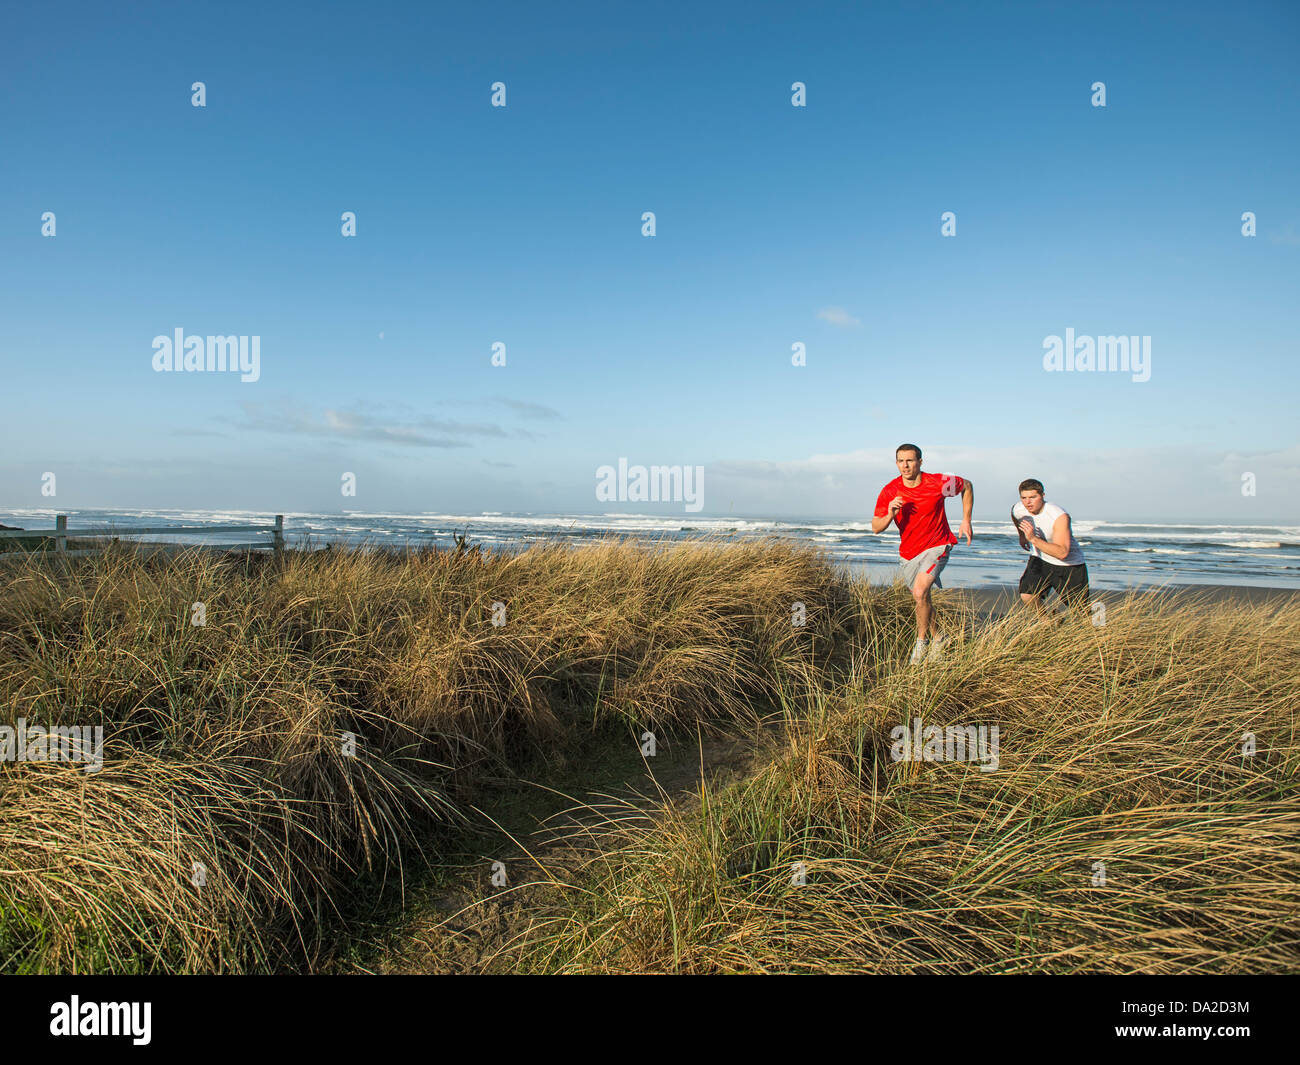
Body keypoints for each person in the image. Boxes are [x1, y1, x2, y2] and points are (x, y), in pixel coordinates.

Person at [872, 443, 973, 663]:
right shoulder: (890, 490)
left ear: (920, 462)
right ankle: (940, 638)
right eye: (901, 461)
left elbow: (966, 485)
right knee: (922, 599)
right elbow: (876, 528)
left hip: (938, 544)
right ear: (896, 463)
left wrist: (966, 519)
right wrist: (890, 514)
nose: (905, 466)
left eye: (910, 460)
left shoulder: (937, 483)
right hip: (908, 553)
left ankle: (921, 644)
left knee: (919, 592)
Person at [1011, 478, 1089, 613]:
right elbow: (1014, 514)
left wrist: (1032, 538)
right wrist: (1022, 535)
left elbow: (1062, 552)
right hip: (1040, 559)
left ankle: (1098, 625)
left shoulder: (1058, 516)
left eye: (1033, 497)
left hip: (1069, 565)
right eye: (1024, 498)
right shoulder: (1019, 509)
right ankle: (1049, 621)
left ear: (1042, 495)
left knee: (1081, 610)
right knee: (1027, 594)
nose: (1028, 502)